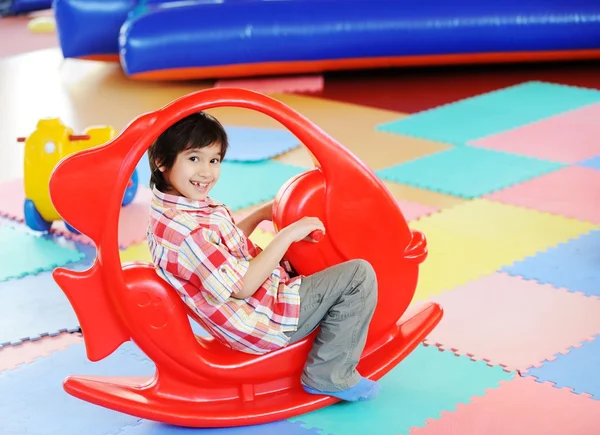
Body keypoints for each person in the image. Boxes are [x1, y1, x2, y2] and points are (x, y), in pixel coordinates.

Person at [146, 111, 380, 401]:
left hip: (264, 299)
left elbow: (221, 250)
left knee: (312, 247)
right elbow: (241, 287)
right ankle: (329, 374)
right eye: (194, 159)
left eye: (214, 160)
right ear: (161, 161)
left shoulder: (178, 211)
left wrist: (260, 215)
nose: (206, 172)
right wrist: (285, 235)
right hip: (264, 319)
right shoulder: (184, 232)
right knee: (359, 276)